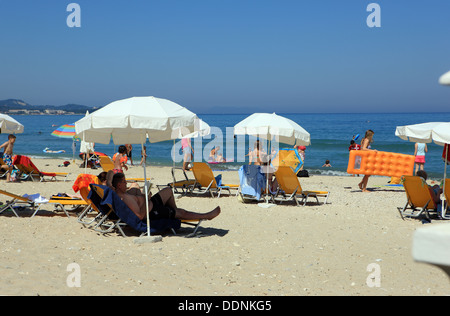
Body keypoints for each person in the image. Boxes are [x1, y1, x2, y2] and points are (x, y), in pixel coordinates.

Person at [112, 172, 221, 222]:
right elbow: (140, 216)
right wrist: (146, 198)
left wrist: (138, 192)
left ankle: (175, 212)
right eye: (124, 182)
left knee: (168, 190)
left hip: (149, 203)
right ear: (119, 185)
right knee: (181, 213)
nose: (126, 183)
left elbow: (110, 176)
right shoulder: (124, 199)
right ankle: (207, 215)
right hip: (151, 212)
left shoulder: (120, 194)